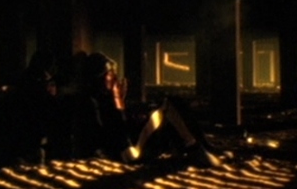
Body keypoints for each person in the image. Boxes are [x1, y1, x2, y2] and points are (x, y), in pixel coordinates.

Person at [71, 51, 220, 167]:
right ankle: (194, 148)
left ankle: (203, 145)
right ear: (100, 77)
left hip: (129, 143)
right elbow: (114, 134)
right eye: (110, 74)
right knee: (167, 107)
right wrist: (118, 101)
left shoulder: (103, 97)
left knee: (174, 103)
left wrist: (126, 106)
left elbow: (121, 123)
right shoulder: (91, 102)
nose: (115, 77)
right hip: (128, 151)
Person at [0, 49, 63, 165]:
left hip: (24, 139)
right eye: (53, 65)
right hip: (28, 140)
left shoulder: (26, 81)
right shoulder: (36, 85)